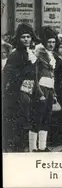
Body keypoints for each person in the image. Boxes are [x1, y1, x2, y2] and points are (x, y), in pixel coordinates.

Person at [3, 23, 40, 152]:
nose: (26, 39)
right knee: (19, 123)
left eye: (28, 37)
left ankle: (27, 147)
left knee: (27, 121)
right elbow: (8, 74)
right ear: (19, 39)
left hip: (29, 92)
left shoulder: (29, 53)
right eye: (23, 37)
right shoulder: (16, 55)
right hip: (17, 94)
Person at [30, 26, 59, 152]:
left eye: (53, 42)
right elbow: (35, 74)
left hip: (50, 87)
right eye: (49, 42)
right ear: (44, 42)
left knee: (47, 116)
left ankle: (42, 145)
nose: (51, 44)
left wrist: (54, 92)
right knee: (38, 116)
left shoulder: (51, 54)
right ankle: (33, 147)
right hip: (41, 88)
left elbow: (52, 74)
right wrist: (39, 92)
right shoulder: (39, 53)